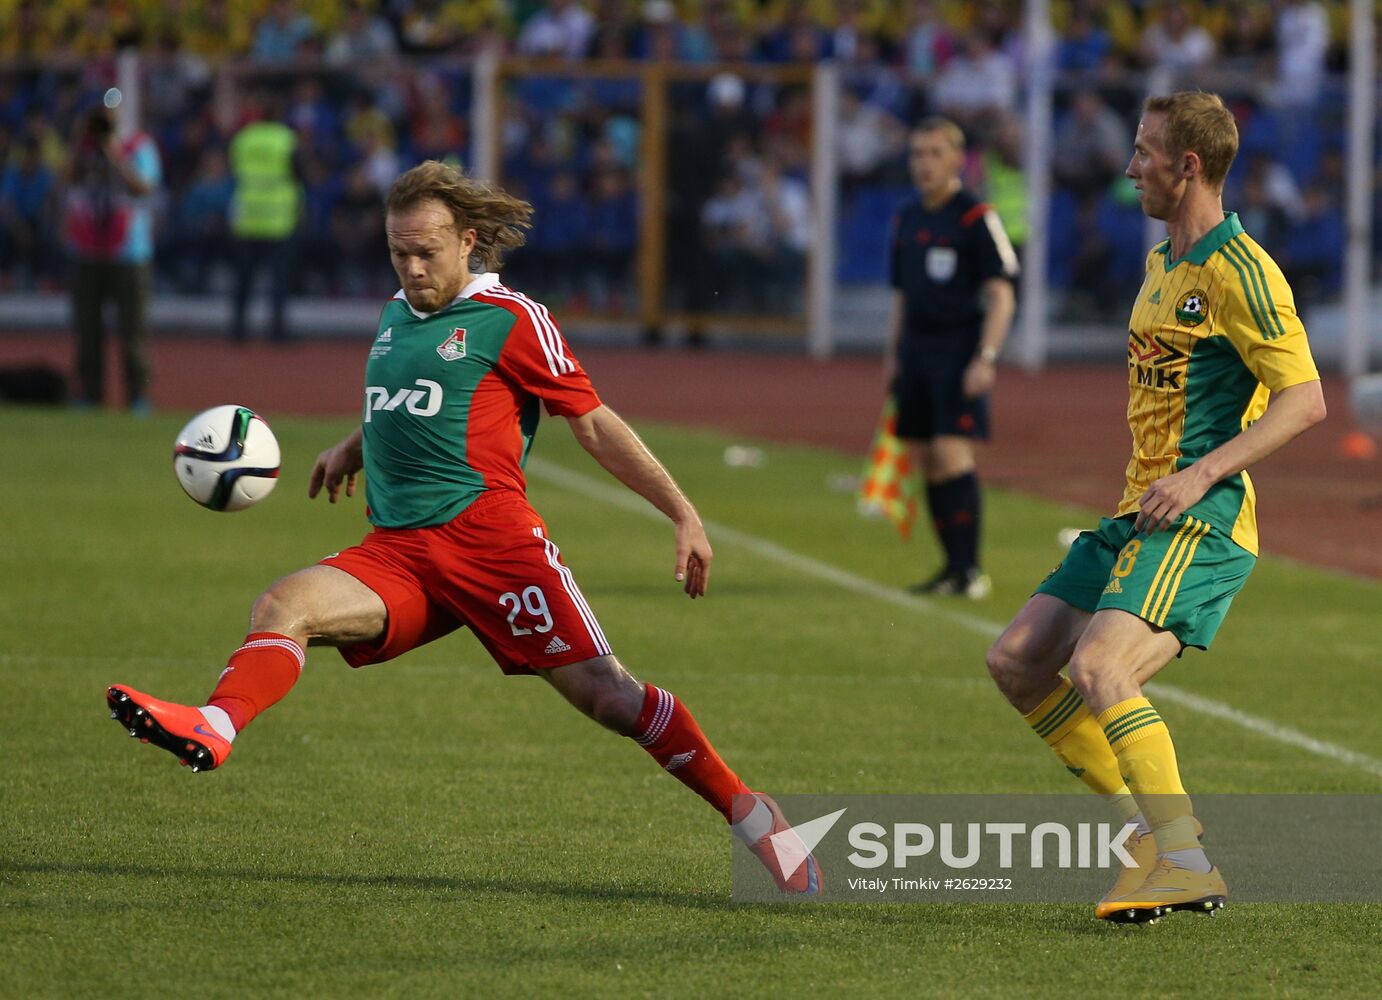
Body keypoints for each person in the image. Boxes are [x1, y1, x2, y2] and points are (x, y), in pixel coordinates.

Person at [106, 160, 821, 896]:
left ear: (469, 241)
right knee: (284, 606)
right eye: (399, 253)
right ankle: (215, 727)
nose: (412, 269)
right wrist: (353, 445)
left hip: (495, 549)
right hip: (400, 553)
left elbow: (596, 424)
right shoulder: (394, 316)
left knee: (611, 698)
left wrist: (682, 512)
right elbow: (412, 396)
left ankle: (752, 816)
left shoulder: (512, 320)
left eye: (427, 253)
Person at [984, 92, 1326, 923]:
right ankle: (1146, 839)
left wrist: (1199, 475)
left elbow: (1305, 399)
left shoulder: (1241, 272)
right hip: (1138, 511)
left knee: (1101, 667)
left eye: (1143, 152)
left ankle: (1184, 861)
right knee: (1019, 662)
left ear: (1188, 166)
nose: (1129, 166)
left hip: (1200, 519)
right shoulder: (1159, 266)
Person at [884, 117, 1019, 599]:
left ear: (958, 159)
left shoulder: (974, 216)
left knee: (952, 453)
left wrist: (986, 356)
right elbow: (902, 295)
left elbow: (1003, 294)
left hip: (958, 352)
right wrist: (894, 355)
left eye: (934, 153)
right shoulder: (908, 218)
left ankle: (970, 569)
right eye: (917, 154)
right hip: (917, 352)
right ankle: (951, 568)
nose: (924, 164)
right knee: (930, 461)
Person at [62, 103, 162, 413]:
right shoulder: (82, 150)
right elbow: (65, 178)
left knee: (132, 330)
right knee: (87, 328)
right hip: (87, 249)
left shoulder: (139, 146)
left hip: (129, 251)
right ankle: (90, 394)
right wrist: (80, 142)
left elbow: (143, 188)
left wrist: (114, 152)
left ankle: (137, 397)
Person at [228, 90, 302, 344]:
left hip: (247, 214)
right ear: (279, 114)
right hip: (277, 218)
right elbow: (298, 172)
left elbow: (235, 169)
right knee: (278, 280)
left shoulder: (244, 138)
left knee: (244, 279)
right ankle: (277, 331)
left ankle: (237, 329)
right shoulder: (286, 138)